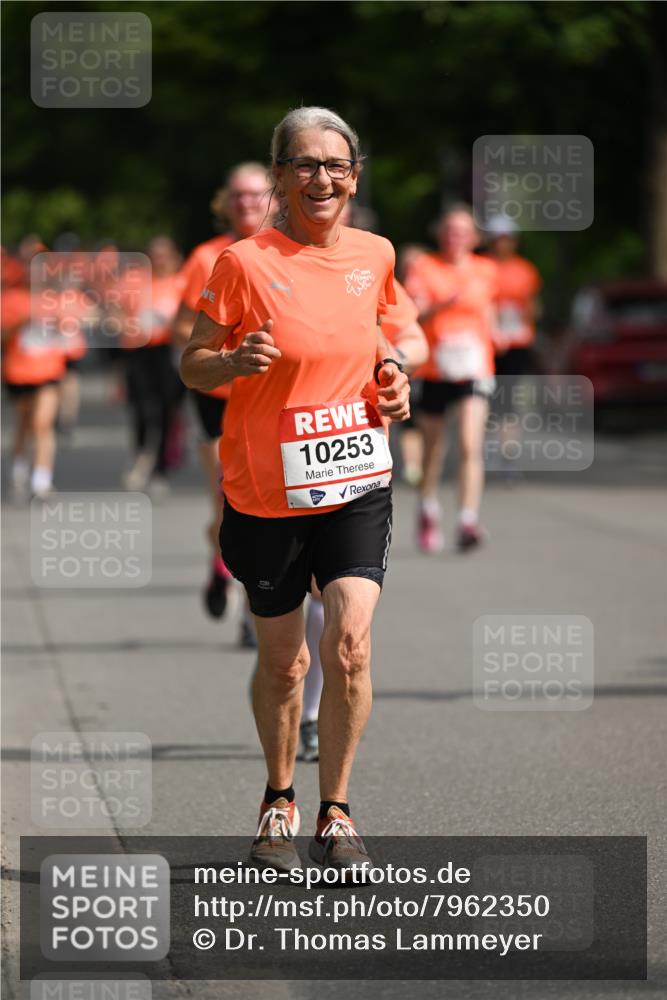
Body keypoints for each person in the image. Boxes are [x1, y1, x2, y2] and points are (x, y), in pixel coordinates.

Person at [180, 106, 410, 873]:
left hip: (353, 479)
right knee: (284, 664)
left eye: (336, 165)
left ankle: (336, 812)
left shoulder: (374, 253)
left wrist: (395, 379)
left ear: (354, 174)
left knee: (347, 642)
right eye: (305, 165)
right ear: (279, 176)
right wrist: (232, 361)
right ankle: (278, 796)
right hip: (264, 490)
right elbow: (192, 362)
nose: (322, 179)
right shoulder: (242, 262)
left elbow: (387, 333)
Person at [299, 276, 427, 764]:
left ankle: (313, 717)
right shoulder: (257, 263)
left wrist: (392, 364)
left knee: (342, 616)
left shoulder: (368, 263)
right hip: (282, 454)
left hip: (355, 460)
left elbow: (414, 337)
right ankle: (297, 708)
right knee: (287, 644)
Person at [173, 164, 275, 632]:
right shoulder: (205, 258)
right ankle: (222, 566)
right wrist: (226, 353)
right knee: (226, 501)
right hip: (217, 395)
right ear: (224, 203)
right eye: (237, 195)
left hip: (273, 396)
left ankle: (259, 608)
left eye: (256, 194)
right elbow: (180, 328)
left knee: (269, 503)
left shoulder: (288, 253)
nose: (247, 203)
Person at [405, 205, 498, 553]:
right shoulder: (424, 266)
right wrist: (443, 305)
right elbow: (413, 311)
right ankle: (428, 506)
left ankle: (467, 519)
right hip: (435, 369)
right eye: (449, 230)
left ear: (473, 238)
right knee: (433, 449)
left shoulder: (486, 270)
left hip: (475, 366)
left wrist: (494, 335)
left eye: (462, 231)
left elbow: (487, 309)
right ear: (439, 234)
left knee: (470, 444)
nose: (455, 237)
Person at [2, 240, 66, 500]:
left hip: (49, 369)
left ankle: (41, 481)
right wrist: (21, 322)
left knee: (42, 423)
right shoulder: (11, 298)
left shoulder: (57, 299)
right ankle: (19, 468)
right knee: (24, 424)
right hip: (19, 371)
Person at [121, 236, 184, 497]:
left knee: (167, 411)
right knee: (142, 410)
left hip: (169, 352)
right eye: (153, 254)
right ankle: (141, 455)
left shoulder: (181, 282)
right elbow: (116, 311)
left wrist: (172, 325)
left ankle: (160, 469)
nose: (158, 259)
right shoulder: (134, 281)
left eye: (163, 254)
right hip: (138, 350)